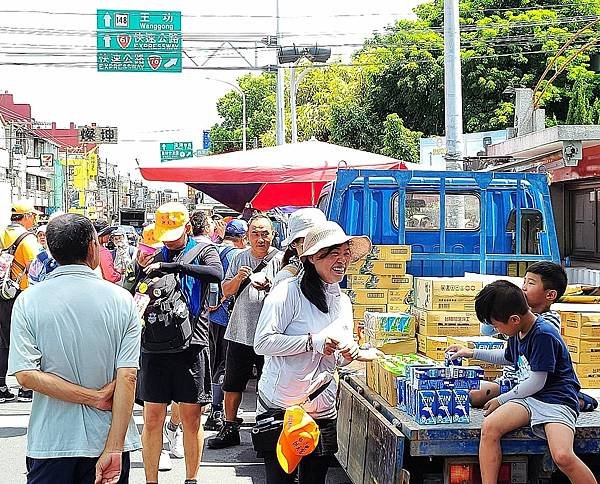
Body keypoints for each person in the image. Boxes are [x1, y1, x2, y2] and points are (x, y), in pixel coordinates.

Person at [8, 213, 141, 484]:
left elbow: (25, 375)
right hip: (108, 440)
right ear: (93, 247)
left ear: (51, 251)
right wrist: (114, 446)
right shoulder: (121, 300)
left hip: (51, 441)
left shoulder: (28, 301)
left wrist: (91, 397)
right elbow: (128, 376)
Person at [253, 221, 381, 483]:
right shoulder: (287, 293)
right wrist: (311, 341)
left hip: (322, 410)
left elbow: (336, 360)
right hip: (282, 409)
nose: (341, 260)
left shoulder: (343, 302)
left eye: (345, 253)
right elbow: (262, 342)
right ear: (312, 257)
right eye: (333, 253)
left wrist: (349, 354)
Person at [447, 280, 596, 484]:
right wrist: (471, 352)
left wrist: (502, 400)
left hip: (556, 401)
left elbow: (537, 381)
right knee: (490, 428)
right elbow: (508, 356)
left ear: (514, 319)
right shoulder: (518, 330)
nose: (496, 329)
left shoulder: (543, 334)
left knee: (562, 456)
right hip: (529, 398)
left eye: (496, 325)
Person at [135, 202, 223, 484]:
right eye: (165, 235)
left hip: (192, 344)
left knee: (191, 417)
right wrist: (142, 272)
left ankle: (191, 479)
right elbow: (137, 297)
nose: (169, 241)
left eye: (174, 234)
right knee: (152, 417)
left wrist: (174, 266)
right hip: (155, 346)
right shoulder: (153, 255)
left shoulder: (203, 250)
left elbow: (216, 274)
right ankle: (151, 480)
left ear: (187, 228)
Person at [473, 261, 597, 412]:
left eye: (530, 283)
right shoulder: (516, 320)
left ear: (550, 294)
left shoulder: (545, 326)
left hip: (533, 386)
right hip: (512, 382)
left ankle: (577, 400)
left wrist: (503, 399)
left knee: (481, 398)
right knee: (471, 394)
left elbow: (538, 379)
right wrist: (497, 302)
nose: (524, 287)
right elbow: (488, 331)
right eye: (523, 281)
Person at [207, 214, 280, 450]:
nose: (261, 239)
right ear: (247, 236)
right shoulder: (239, 257)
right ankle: (229, 427)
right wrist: (239, 277)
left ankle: (270, 430)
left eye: (265, 233)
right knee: (232, 383)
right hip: (240, 329)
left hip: (272, 332)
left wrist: (272, 286)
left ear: (273, 234)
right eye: (255, 233)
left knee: (271, 383)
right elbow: (225, 291)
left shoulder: (281, 259)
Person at [205, 219, 248, 431]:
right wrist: (220, 301)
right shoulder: (236, 256)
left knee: (216, 362)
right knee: (225, 365)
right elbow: (227, 287)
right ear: (242, 238)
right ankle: (217, 412)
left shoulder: (213, 250)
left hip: (213, 317)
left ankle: (214, 408)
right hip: (228, 317)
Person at [0, 199, 42, 403]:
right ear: (25, 217)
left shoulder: (1, 234)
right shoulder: (28, 239)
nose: (33, 219)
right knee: (25, 339)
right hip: (20, 293)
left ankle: (1, 385)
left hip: (1, 291)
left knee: (1, 340)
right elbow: (36, 269)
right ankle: (26, 388)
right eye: (32, 216)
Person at [271, 208, 326, 288]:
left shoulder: (325, 270)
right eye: (309, 240)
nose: (316, 246)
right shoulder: (286, 277)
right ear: (294, 244)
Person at [93, 219, 122, 284]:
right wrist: (119, 273)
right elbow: (110, 277)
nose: (109, 236)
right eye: (108, 233)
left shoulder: (90, 249)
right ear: (102, 235)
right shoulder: (103, 252)